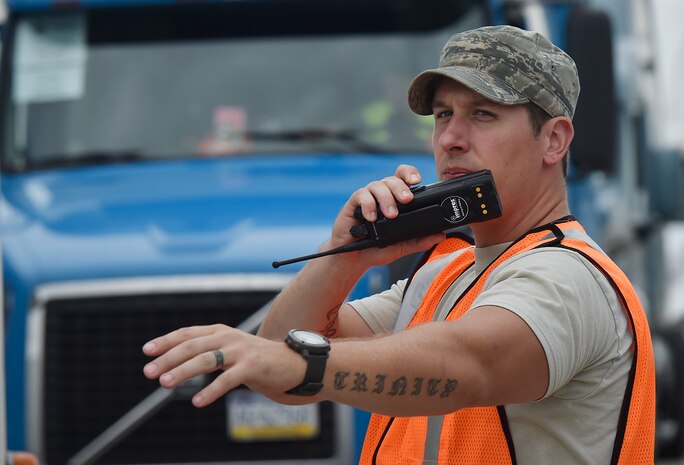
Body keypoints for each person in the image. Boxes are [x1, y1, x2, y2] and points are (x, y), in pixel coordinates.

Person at [142, 25, 655, 464]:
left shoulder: (570, 276)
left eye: (482, 115)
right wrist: (347, 254)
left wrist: (302, 364)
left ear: (555, 140)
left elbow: (469, 364)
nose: (450, 138)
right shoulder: (446, 272)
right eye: (442, 115)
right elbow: (279, 360)